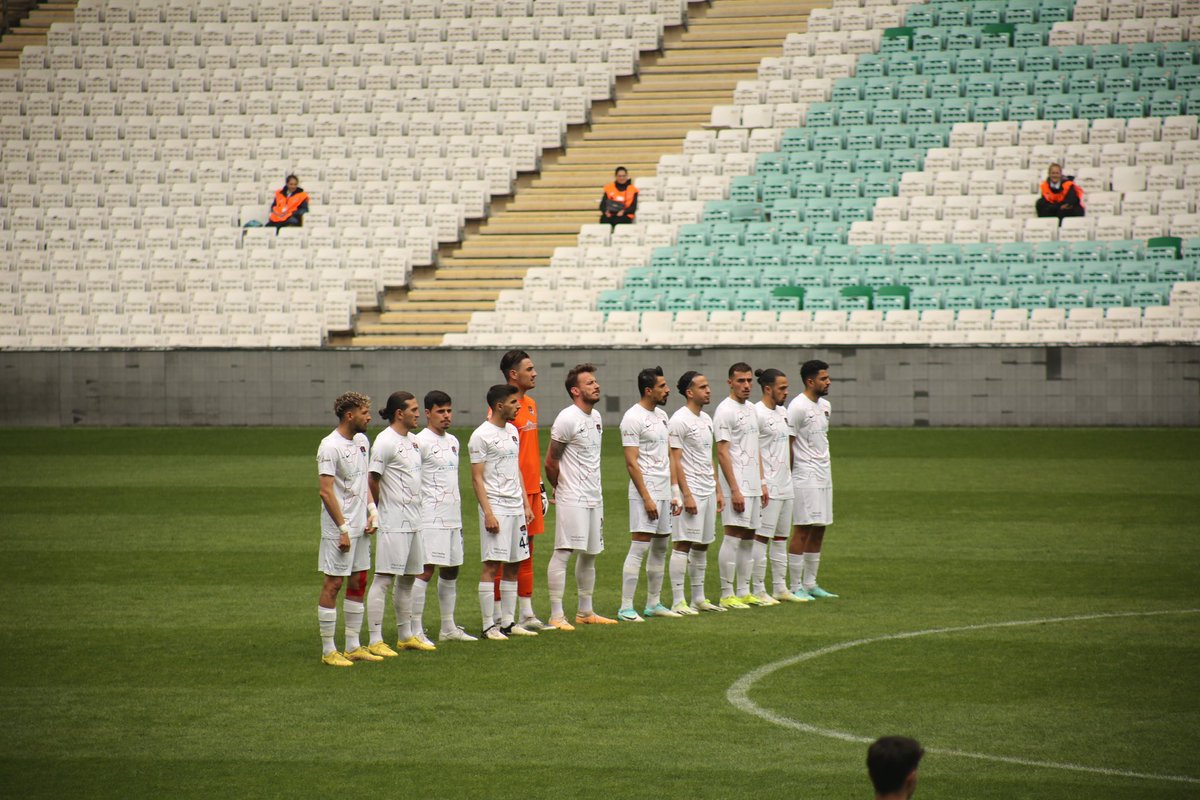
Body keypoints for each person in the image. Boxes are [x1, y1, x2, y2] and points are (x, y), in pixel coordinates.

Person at [545, 364, 616, 628]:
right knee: (564, 552)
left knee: (590, 554)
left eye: (596, 382)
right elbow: (551, 461)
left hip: (594, 496)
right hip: (572, 496)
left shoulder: (596, 417)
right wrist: (560, 488)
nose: (596, 386)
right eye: (589, 383)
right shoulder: (567, 418)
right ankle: (555, 615)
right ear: (575, 390)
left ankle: (585, 612)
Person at [365, 392, 434, 655]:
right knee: (383, 579)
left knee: (408, 579)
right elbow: (372, 479)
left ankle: (406, 635)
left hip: (415, 521)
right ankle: (375, 639)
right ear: (399, 413)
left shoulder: (414, 441)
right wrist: (381, 510)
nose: (418, 413)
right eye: (414, 410)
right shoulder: (384, 442)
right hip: (394, 522)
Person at [316, 391, 379, 667]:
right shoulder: (329, 446)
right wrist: (342, 527)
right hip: (338, 528)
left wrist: (372, 511)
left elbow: (361, 481)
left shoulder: (362, 441)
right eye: (365, 412)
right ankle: (329, 649)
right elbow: (326, 492)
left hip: (360, 526)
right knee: (334, 583)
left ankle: (353, 645)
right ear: (349, 415)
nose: (369, 417)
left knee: (358, 581)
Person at [469, 384, 535, 640]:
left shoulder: (512, 432)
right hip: (495, 506)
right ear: (499, 406)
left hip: (515, 507)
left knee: (515, 563)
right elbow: (476, 478)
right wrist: (488, 512)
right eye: (514, 403)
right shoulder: (480, 436)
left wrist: (526, 505)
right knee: (491, 564)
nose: (519, 406)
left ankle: (508, 622)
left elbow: (515, 469)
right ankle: (488, 625)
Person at [617, 367, 683, 622]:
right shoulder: (632, 418)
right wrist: (646, 497)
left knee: (661, 546)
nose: (667, 390)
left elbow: (668, 456)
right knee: (640, 546)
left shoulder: (663, 415)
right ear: (648, 390)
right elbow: (632, 463)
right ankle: (625, 607)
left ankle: (653, 603)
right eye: (663, 386)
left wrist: (674, 492)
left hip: (665, 490)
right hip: (646, 491)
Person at [492, 350, 551, 632]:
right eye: (529, 368)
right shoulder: (501, 409)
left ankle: (526, 614)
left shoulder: (531, 404)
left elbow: (528, 452)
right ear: (513, 374)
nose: (535, 372)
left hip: (531, 490)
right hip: (509, 492)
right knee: (503, 554)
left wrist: (538, 485)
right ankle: (497, 616)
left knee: (527, 552)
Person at [415, 390, 476, 643]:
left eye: (449, 410)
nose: (446, 416)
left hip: (453, 516)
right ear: (428, 413)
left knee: (452, 569)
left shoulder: (453, 441)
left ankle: (448, 628)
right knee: (425, 571)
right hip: (430, 517)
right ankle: (414, 630)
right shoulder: (419, 442)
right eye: (441, 411)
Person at [667, 371, 726, 615]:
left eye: (708, 385)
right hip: (690, 490)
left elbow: (708, 457)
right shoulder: (679, 420)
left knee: (703, 544)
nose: (708, 390)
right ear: (689, 392)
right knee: (683, 544)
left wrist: (718, 489)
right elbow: (674, 460)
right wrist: (686, 494)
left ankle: (698, 598)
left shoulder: (706, 419)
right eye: (702, 387)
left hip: (708, 489)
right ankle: (678, 600)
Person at [714, 362, 772, 610]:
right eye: (740, 381)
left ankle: (744, 591)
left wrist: (761, 481)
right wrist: (734, 489)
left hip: (753, 484)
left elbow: (755, 447)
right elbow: (722, 452)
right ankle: (727, 593)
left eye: (749, 380)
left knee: (750, 537)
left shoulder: (752, 410)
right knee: (733, 535)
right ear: (730, 382)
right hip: (734, 483)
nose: (746, 385)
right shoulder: (724, 410)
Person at [787, 359, 838, 600]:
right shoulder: (797, 407)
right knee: (803, 528)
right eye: (823, 378)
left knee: (820, 527)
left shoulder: (825, 405)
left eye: (828, 378)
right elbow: (789, 442)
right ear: (810, 381)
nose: (828, 382)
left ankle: (811, 584)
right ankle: (795, 585)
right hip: (804, 475)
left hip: (823, 473)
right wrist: (788, 474)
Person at [754, 368, 805, 603]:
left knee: (781, 538)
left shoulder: (783, 412)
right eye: (782, 388)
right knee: (761, 538)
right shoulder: (757, 413)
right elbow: (752, 451)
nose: (786, 392)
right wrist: (762, 482)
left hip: (786, 485)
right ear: (767, 388)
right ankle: (757, 589)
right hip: (769, 487)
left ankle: (779, 588)